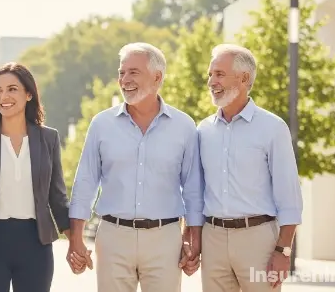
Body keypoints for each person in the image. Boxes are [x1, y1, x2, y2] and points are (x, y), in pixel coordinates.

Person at [67, 42, 205, 292]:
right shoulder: (101, 124)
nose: (125, 80)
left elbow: (193, 188)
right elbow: (85, 183)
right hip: (113, 237)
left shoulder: (184, 126)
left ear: (157, 77)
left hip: (165, 239)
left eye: (133, 72)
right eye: (122, 72)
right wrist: (75, 239)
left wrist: (192, 237)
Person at [0, 62, 73, 292]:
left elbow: (58, 197)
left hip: (36, 244)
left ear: (29, 94)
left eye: (12, 89)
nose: (4, 97)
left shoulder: (48, 138)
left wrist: (75, 242)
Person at [199, 44, 302, 292]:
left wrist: (283, 250)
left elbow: (289, 196)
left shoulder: (272, 128)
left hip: (258, 240)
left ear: (244, 78)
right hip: (213, 239)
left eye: (219, 74)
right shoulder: (203, 130)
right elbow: (195, 190)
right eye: (210, 74)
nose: (211, 81)